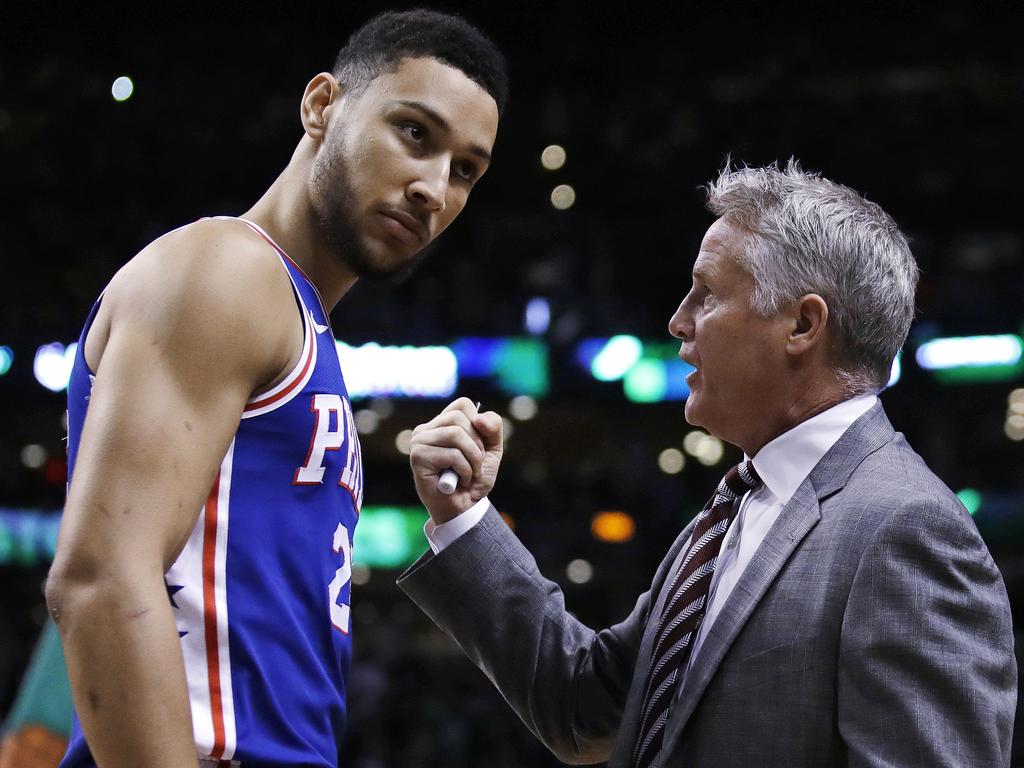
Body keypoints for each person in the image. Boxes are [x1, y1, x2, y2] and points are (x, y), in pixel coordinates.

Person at [399, 162, 1017, 767]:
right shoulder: (731, 511)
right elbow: (584, 709)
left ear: (802, 324)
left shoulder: (907, 529)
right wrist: (463, 519)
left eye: (707, 295)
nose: (678, 322)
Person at [45, 9, 506, 768]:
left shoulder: (297, 323)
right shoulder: (229, 271)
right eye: (415, 134)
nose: (432, 187)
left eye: (465, 171)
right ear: (322, 104)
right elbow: (100, 578)